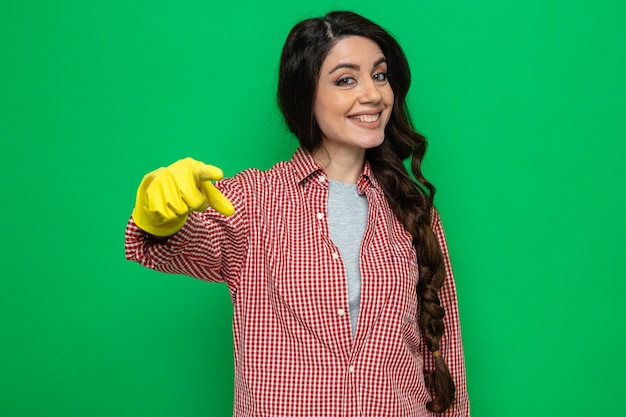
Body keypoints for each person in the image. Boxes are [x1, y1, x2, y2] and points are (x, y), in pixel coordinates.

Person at [125, 10, 469, 417]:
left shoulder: (413, 212)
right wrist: (158, 216)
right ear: (305, 95)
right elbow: (166, 247)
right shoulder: (253, 201)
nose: (374, 95)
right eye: (345, 80)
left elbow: (444, 360)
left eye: (379, 75)